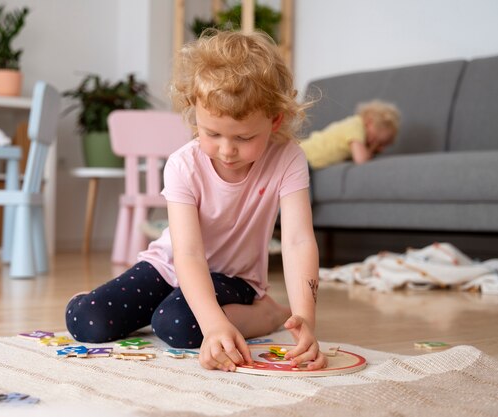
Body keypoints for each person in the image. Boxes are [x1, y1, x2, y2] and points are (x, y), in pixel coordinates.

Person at [65, 29, 326, 372]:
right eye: (212, 133)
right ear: (194, 116)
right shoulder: (183, 164)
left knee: (175, 325)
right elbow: (186, 253)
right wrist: (214, 324)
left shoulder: (288, 158)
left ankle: (269, 313)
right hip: (170, 264)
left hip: (233, 278)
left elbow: (297, 240)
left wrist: (304, 315)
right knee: (86, 320)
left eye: (244, 137)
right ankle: (201, 310)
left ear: (274, 120)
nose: (227, 150)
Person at [300, 100, 401, 169]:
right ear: (370, 122)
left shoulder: (354, 127)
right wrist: (370, 150)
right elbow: (361, 160)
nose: (380, 149)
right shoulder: (356, 126)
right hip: (305, 155)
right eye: (378, 142)